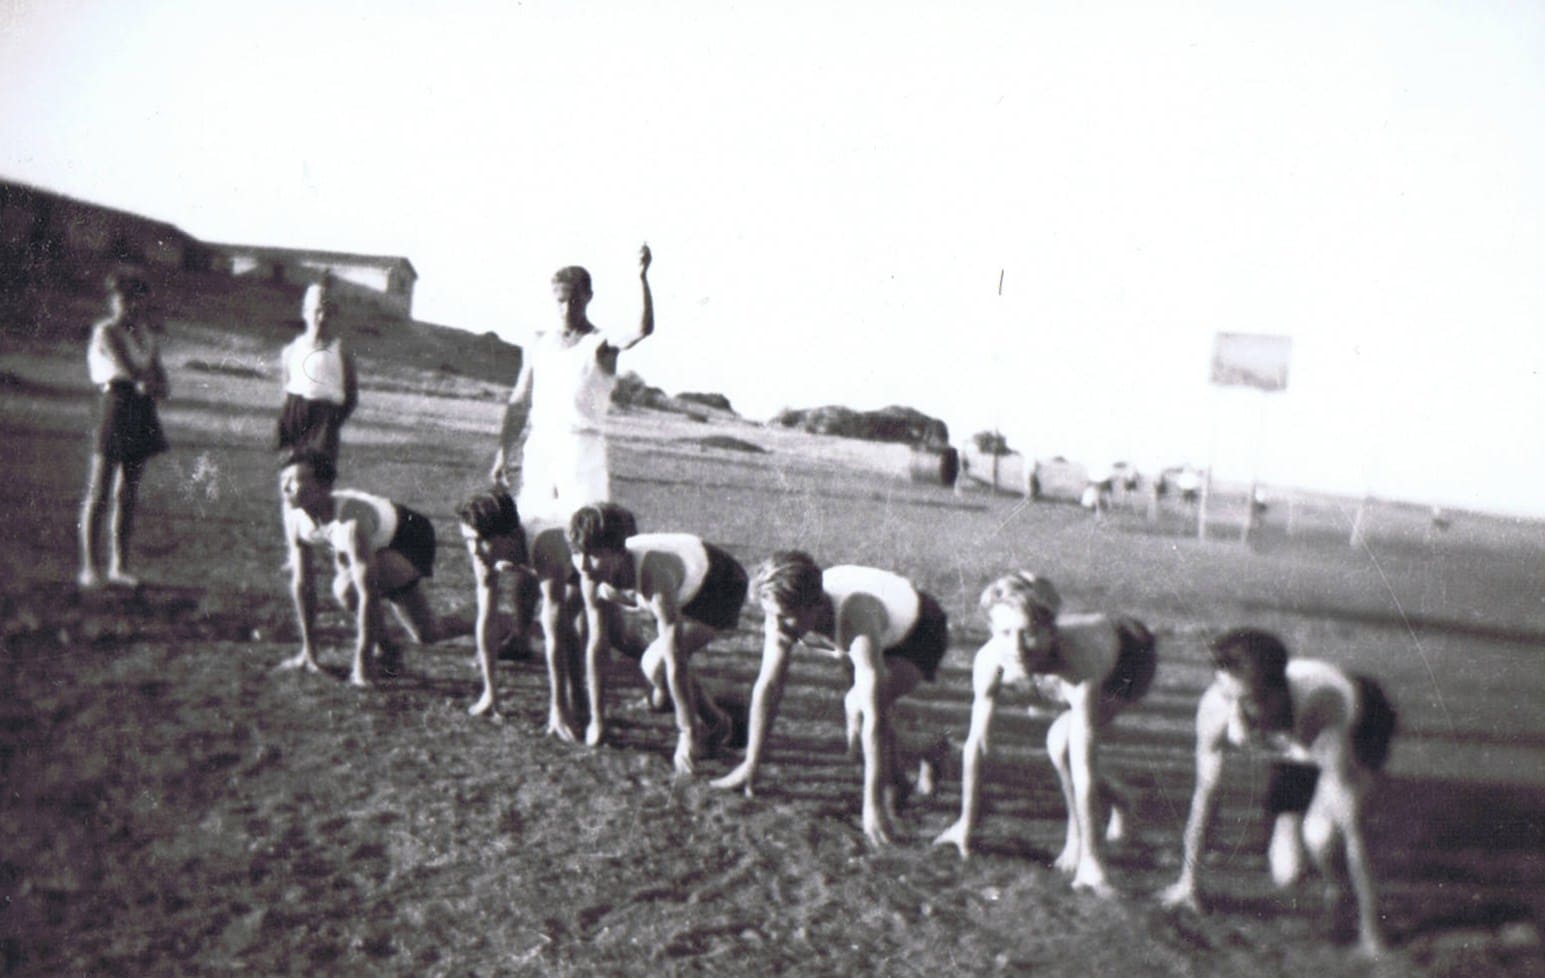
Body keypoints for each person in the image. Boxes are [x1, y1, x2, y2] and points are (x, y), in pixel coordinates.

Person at [1159, 628, 1396, 956]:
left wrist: (1372, 931)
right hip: (1292, 741)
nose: (1235, 719)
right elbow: (1206, 797)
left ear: (1275, 695)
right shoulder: (1216, 709)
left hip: (1361, 720)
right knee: (1288, 872)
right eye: (1227, 697)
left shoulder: (1324, 710)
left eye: (1246, 703)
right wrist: (1189, 881)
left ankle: (1339, 891)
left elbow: (1354, 831)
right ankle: (1303, 826)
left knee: (1323, 836)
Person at [933, 573, 1156, 897]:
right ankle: (1122, 801)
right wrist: (965, 823)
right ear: (992, 632)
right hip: (1082, 651)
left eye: (1029, 632)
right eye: (1005, 633)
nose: (1017, 647)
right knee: (1061, 742)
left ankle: (1090, 838)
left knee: (1062, 744)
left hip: (1128, 658)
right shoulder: (990, 659)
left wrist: (1087, 856)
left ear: (1051, 631)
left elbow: (1084, 767)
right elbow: (978, 743)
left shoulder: (1079, 662)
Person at [711, 551, 948, 847]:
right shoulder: (785, 615)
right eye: (770, 614)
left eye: (784, 616)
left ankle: (929, 748)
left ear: (814, 606)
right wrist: (750, 764)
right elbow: (769, 685)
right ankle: (899, 780)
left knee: (861, 711)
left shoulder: (855, 616)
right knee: (859, 736)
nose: (776, 625)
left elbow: (873, 717)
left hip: (918, 632)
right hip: (874, 632)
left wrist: (870, 806)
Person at [566, 503, 744, 774]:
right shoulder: (590, 574)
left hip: (719, 584)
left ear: (617, 552)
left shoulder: (653, 573)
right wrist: (597, 719)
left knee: (656, 664)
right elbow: (597, 645)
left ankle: (718, 724)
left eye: (593, 555)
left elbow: (675, 658)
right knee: (656, 679)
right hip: (684, 577)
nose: (582, 564)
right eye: (577, 553)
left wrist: (686, 734)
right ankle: (669, 696)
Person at [490, 245, 654, 524]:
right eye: (560, 300)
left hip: (582, 450)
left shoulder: (601, 343)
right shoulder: (538, 342)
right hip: (540, 447)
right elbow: (519, 402)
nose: (566, 308)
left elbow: (641, 329)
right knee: (532, 527)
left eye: (574, 300)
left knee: (584, 530)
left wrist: (642, 278)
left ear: (588, 297)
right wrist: (502, 454)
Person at [277, 450, 442, 687]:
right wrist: (309, 653)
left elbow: (368, 593)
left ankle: (505, 624)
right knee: (426, 633)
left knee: (426, 631)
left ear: (323, 486)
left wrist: (362, 665)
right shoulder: (296, 518)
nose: (286, 488)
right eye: (283, 481)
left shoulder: (351, 522)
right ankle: (389, 651)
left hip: (410, 538)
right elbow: (303, 584)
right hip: (374, 540)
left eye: (295, 481)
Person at [79, 268, 170, 589]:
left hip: (140, 410)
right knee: (99, 489)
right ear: (113, 300)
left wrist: (154, 383)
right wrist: (149, 381)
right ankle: (90, 567)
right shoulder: (106, 331)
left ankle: (120, 565)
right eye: (122, 298)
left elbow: (162, 382)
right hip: (115, 405)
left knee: (128, 492)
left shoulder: (146, 334)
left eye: (134, 298)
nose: (129, 305)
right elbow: (130, 371)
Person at [456, 487, 542, 718]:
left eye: (480, 541)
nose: (473, 550)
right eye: (468, 540)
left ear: (509, 536)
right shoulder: (480, 552)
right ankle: (520, 641)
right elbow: (487, 617)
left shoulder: (547, 543)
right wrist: (490, 692)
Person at [276, 277, 357, 467]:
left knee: (318, 479)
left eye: (327, 312)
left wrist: (331, 423)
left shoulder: (340, 351)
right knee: (292, 475)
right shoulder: (291, 351)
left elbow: (351, 396)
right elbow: (286, 392)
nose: (321, 318)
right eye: (317, 311)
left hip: (325, 421)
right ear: (305, 313)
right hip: (296, 416)